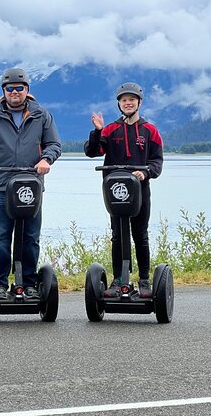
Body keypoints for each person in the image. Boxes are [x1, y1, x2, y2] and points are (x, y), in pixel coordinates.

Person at [0, 68, 61, 299]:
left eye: (19, 88)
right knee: (2, 237)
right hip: (2, 183)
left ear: (27, 90)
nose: (15, 92)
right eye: (10, 88)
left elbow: (54, 144)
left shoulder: (41, 114)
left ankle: (28, 282)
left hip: (31, 184)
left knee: (30, 237)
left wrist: (46, 159)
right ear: (4, 91)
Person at [84, 82, 163, 298]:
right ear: (119, 104)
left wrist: (145, 173)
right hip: (116, 190)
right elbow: (93, 152)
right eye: (124, 100)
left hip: (140, 191)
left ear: (139, 102)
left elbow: (157, 162)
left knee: (140, 234)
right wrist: (97, 131)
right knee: (118, 236)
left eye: (132, 100)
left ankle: (144, 280)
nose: (128, 103)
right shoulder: (110, 129)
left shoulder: (150, 131)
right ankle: (118, 280)